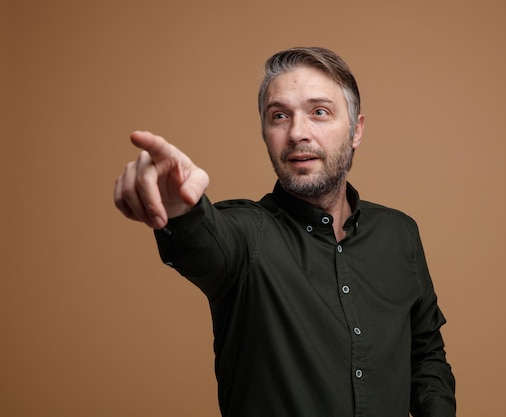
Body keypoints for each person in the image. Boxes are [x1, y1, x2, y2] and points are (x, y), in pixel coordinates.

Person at [114, 46, 456, 417]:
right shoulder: (247, 234)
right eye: (279, 116)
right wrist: (180, 207)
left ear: (356, 130)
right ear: (265, 131)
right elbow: (204, 241)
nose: (297, 133)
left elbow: (426, 357)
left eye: (319, 112)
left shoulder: (399, 235)